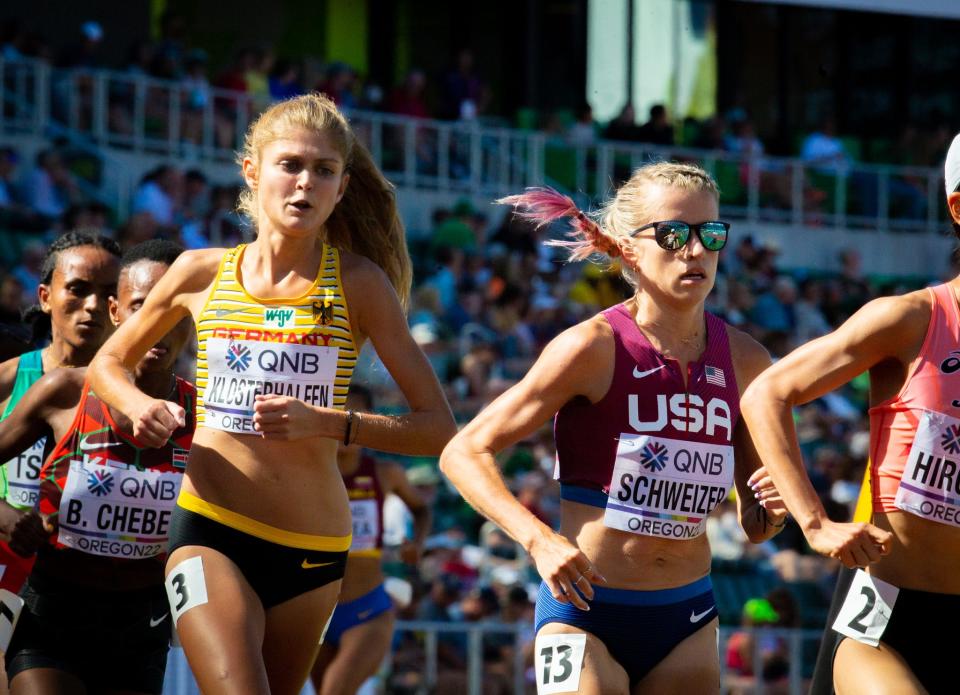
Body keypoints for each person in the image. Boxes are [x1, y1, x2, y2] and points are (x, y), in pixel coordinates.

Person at [87, 92, 457, 695]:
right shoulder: (198, 273)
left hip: (312, 550)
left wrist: (328, 422)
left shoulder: (361, 284)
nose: (304, 182)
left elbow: (437, 428)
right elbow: (110, 363)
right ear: (252, 171)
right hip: (210, 526)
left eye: (324, 170)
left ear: (340, 189)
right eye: (290, 164)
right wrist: (139, 405)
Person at [440, 162, 787, 694]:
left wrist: (772, 507)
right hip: (586, 612)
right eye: (673, 235)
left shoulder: (747, 359)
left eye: (710, 234)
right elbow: (463, 452)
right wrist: (538, 540)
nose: (694, 251)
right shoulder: (591, 347)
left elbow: (757, 525)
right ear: (628, 248)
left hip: (688, 615)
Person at [740, 135, 960, 694]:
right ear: (958, 207)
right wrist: (814, 522)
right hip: (887, 619)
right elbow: (766, 393)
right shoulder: (910, 319)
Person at [0, 240, 190, 694]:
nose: (157, 323)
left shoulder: (204, 416)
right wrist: (5, 517)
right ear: (117, 312)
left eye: (174, 309)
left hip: (142, 627)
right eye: (144, 305)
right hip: (51, 615)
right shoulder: (64, 390)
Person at [0, 230, 120, 593]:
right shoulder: (7, 381)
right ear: (45, 297)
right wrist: (3, 516)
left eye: (108, 293)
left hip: (93, 590)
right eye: (78, 289)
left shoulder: (137, 397)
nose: (94, 305)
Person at [310, 385, 432, 694]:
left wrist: (416, 545)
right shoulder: (308, 473)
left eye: (355, 415)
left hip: (368, 607)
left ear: (370, 420)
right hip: (315, 608)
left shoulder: (385, 473)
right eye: (340, 415)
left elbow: (421, 510)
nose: (346, 425)